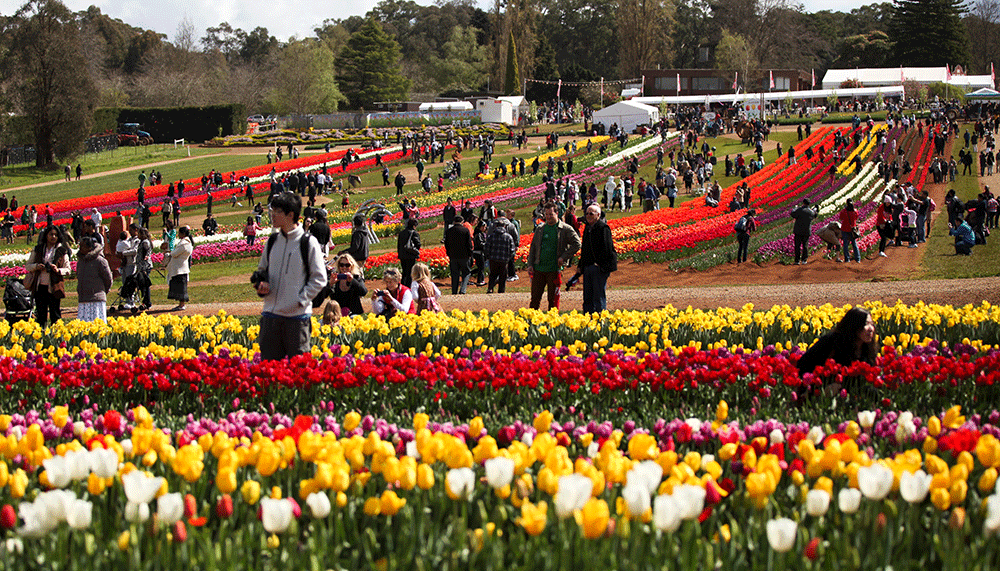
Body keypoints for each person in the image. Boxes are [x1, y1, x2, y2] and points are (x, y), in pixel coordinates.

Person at [253, 192, 327, 360]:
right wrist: (261, 283)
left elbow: (320, 277)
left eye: (276, 211)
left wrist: (301, 299)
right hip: (270, 316)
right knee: (268, 372)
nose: (272, 215)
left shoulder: (308, 242)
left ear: (290, 215)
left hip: (297, 318)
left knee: (298, 370)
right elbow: (261, 271)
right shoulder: (272, 241)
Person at [796, 307, 878, 394]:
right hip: (823, 390)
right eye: (866, 324)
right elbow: (804, 364)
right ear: (854, 325)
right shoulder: (832, 342)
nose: (871, 329)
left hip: (850, 393)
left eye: (872, 324)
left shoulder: (868, 349)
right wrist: (821, 387)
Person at [527, 201, 581, 311]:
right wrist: (530, 264)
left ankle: (552, 323)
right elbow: (533, 247)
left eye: (551, 214)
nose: (548, 217)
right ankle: (531, 322)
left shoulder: (565, 229)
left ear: (557, 213)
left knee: (552, 299)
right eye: (546, 215)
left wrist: (564, 257)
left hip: (554, 269)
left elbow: (577, 244)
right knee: (535, 299)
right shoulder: (540, 229)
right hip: (539, 269)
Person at [24, 226, 71, 327]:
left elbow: (68, 270)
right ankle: (41, 337)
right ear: (46, 235)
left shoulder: (62, 251)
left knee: (55, 315)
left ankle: (57, 337)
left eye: (55, 235)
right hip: (40, 286)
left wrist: (57, 270)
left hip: (54, 286)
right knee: (41, 315)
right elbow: (28, 266)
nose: (53, 237)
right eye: (51, 234)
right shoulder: (38, 249)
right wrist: (37, 266)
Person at [576, 204, 618, 313]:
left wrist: (600, 265)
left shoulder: (603, 228)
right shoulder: (587, 228)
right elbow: (584, 249)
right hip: (588, 267)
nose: (588, 216)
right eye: (587, 213)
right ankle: (588, 319)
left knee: (598, 296)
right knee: (587, 296)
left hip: (599, 268)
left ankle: (600, 320)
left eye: (591, 213)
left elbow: (607, 248)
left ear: (598, 215)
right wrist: (580, 266)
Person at [75, 236, 113, 322]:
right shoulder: (80, 261)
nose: (80, 249)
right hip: (83, 298)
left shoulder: (100, 261)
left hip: (96, 299)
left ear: (89, 248)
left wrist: (102, 291)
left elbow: (108, 279)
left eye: (82, 246)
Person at [484, 217, 516, 294]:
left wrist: (488, 257)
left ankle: (490, 288)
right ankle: (501, 292)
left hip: (493, 259)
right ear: (504, 226)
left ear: (496, 226)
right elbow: (512, 250)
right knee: (503, 276)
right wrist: (508, 258)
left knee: (493, 275)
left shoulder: (491, 236)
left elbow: (487, 248)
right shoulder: (508, 237)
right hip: (504, 260)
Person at [166, 226, 194, 311]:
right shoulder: (188, 243)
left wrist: (170, 253)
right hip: (182, 267)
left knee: (181, 288)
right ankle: (181, 304)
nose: (178, 234)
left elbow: (174, 254)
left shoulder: (184, 244)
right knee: (181, 287)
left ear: (183, 234)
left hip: (179, 268)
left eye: (179, 233)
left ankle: (182, 305)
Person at [444, 215, 474, 295]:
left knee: (454, 274)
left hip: (453, 256)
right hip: (464, 255)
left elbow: (446, 244)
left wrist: (449, 253)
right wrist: (470, 253)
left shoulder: (449, 231)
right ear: (462, 222)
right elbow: (469, 244)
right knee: (466, 273)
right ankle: (463, 290)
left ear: (454, 221)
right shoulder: (465, 230)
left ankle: (454, 291)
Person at [790, 198, 818, 265]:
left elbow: (792, 214)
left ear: (803, 203)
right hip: (806, 231)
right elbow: (815, 215)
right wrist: (816, 209)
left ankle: (797, 261)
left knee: (797, 246)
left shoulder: (799, 210)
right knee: (805, 245)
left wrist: (795, 208)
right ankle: (804, 260)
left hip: (798, 231)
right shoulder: (810, 212)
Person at [397, 218, 421, 283]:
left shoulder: (401, 233)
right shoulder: (414, 233)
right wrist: (416, 251)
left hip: (402, 256)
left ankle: (402, 286)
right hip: (410, 255)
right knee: (410, 273)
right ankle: (409, 286)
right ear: (414, 225)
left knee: (404, 272)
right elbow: (418, 244)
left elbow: (399, 245)